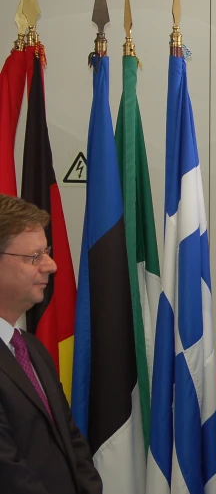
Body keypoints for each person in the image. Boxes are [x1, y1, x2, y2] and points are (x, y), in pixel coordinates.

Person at [0, 193, 102, 494]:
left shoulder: (32, 350)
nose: (51, 265)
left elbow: (73, 445)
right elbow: (8, 474)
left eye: (47, 252)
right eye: (34, 257)